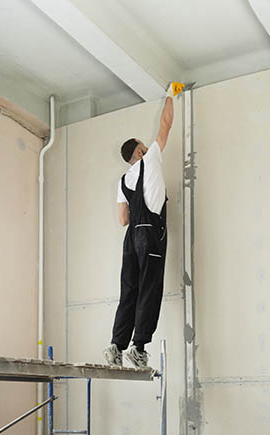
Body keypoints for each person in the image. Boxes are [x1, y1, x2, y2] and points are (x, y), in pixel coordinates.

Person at [104, 83, 182, 369]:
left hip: (130, 241)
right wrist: (171, 95)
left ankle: (116, 345)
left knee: (129, 291)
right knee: (150, 289)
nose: (149, 148)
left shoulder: (123, 181)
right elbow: (166, 124)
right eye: (144, 147)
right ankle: (137, 348)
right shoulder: (150, 160)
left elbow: (123, 219)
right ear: (139, 152)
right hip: (150, 236)